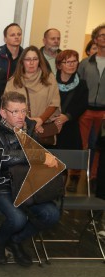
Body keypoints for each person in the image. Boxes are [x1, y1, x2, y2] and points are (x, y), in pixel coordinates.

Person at [0, 91, 60, 267]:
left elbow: (39, 155)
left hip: (27, 183)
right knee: (18, 218)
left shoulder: (29, 127)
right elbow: (0, 156)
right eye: (14, 111)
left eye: (23, 111)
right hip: (0, 184)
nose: (20, 116)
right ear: (3, 113)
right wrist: (34, 155)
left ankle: (15, 240)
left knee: (51, 214)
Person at [4, 45, 60, 142]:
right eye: (28, 59)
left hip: (43, 129)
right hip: (18, 130)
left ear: (40, 61)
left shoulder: (49, 78)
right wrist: (29, 123)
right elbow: (6, 106)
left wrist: (40, 120)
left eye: (35, 59)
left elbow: (54, 103)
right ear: (22, 62)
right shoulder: (13, 81)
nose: (31, 63)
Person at [53, 50, 88, 192]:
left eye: (74, 61)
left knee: (65, 161)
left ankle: (60, 193)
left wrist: (67, 116)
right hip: (52, 127)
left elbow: (82, 104)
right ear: (60, 65)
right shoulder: (50, 81)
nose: (72, 65)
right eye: (68, 62)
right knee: (51, 161)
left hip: (70, 127)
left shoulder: (82, 84)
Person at [77, 24, 105, 190]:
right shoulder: (85, 63)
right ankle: (74, 176)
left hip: (103, 112)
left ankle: (94, 177)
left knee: (98, 147)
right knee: (82, 145)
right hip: (85, 110)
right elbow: (78, 87)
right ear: (95, 39)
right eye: (101, 35)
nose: (104, 38)